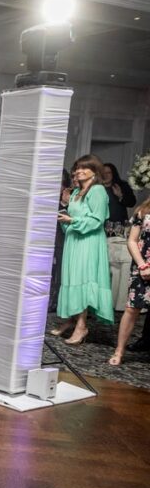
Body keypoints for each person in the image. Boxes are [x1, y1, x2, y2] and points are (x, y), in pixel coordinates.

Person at [52, 154, 114, 344]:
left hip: (88, 242)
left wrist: (72, 220)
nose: (78, 171)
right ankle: (71, 320)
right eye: (77, 167)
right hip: (74, 240)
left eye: (83, 168)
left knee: (83, 281)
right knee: (72, 280)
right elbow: (72, 219)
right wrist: (64, 211)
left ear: (94, 172)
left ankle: (81, 326)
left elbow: (97, 220)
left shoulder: (97, 191)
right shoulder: (77, 191)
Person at [108, 195, 150, 365]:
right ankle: (119, 351)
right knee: (132, 309)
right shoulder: (143, 211)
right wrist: (142, 265)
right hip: (141, 268)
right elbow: (132, 241)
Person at [49, 168, 73, 312]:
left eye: (61, 183)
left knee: (59, 273)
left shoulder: (71, 196)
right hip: (44, 240)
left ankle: (55, 302)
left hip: (61, 240)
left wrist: (64, 203)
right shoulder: (46, 195)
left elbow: (71, 216)